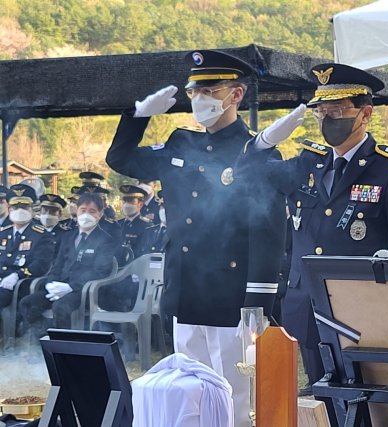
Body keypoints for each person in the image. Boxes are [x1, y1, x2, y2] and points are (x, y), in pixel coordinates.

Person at [106, 50, 286, 427]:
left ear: (235, 95)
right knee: (191, 396)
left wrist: (258, 301)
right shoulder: (180, 143)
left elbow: (268, 231)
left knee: (235, 399)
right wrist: (140, 115)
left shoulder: (254, 151)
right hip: (186, 289)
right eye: (194, 91)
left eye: (209, 89)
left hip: (231, 297)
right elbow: (121, 160)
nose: (199, 99)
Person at [251, 63, 388, 394]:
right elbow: (245, 177)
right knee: (318, 393)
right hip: (306, 302)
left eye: (338, 109)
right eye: (323, 111)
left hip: (362, 304)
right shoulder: (306, 163)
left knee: (365, 395)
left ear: (365, 114)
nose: (329, 118)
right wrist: (263, 141)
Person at [19, 193, 117, 334]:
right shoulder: (68, 236)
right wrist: (51, 284)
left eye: (92, 211)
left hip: (85, 290)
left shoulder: (106, 240)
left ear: (100, 215)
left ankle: (65, 347)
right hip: (59, 287)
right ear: (76, 211)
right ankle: (42, 340)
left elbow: (101, 270)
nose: (86, 215)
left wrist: (71, 287)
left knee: (61, 307)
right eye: (83, 210)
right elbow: (57, 265)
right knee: (27, 303)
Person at [0, 184, 55, 311]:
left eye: (24, 207)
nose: (19, 211)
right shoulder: (3, 233)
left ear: (33, 209)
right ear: (9, 209)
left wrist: (17, 275)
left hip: (21, 284)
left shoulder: (41, 235)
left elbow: (41, 264)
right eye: (15, 207)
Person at [117, 184, 153, 260]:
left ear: (140, 204)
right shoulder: (118, 224)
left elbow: (144, 252)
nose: (126, 204)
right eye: (125, 201)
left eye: (130, 201)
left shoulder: (147, 226)